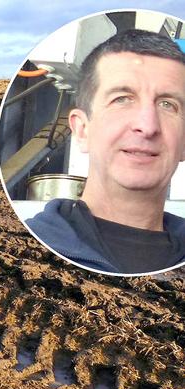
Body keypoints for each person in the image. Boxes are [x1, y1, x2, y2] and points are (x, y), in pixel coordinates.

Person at [27, 29, 185, 274]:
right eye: (122, 99)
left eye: (167, 104)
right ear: (82, 130)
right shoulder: (23, 251)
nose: (147, 126)